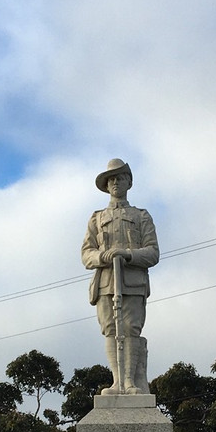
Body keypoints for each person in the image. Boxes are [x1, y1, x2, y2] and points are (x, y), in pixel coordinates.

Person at [81, 158, 159, 394]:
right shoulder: (96, 218)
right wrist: (102, 257)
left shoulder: (141, 216)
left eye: (120, 177)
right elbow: (86, 253)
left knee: (131, 329)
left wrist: (127, 254)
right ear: (106, 185)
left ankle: (130, 382)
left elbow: (152, 252)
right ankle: (117, 382)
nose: (115, 182)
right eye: (111, 179)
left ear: (129, 182)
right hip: (105, 283)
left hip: (133, 283)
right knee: (111, 330)